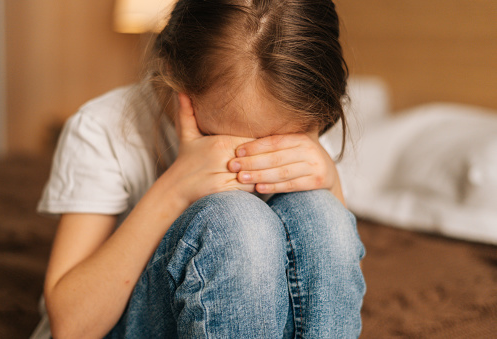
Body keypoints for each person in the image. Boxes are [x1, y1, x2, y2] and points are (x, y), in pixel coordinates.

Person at [35, 0, 366, 337]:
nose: (243, 159)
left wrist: (330, 183)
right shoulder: (101, 128)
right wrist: (176, 188)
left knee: (320, 211)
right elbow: (69, 326)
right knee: (237, 221)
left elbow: (334, 298)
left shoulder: (294, 117)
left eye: (279, 145)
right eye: (216, 138)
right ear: (170, 76)